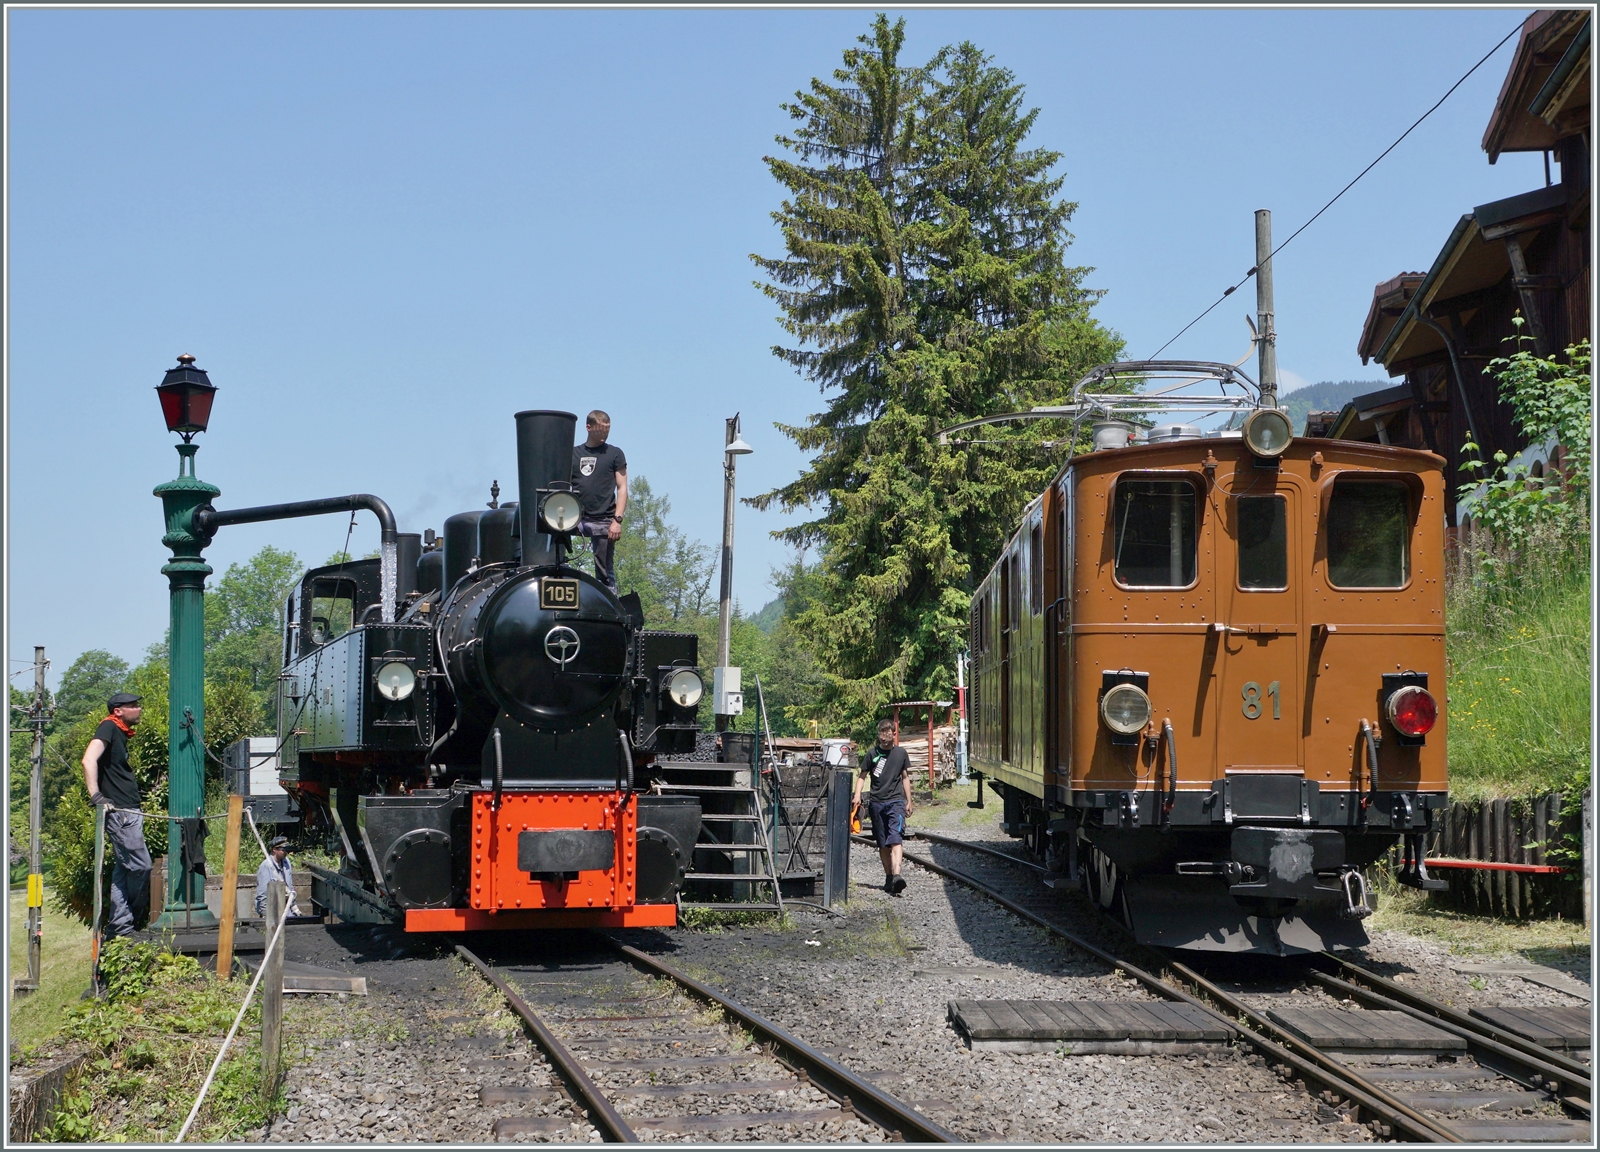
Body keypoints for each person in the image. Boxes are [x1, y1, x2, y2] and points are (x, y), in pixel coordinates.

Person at [81, 692, 151, 939]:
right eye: (133, 706)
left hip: (128, 809)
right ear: (118, 710)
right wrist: (96, 795)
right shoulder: (109, 726)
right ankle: (134, 917)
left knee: (123, 870)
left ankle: (120, 926)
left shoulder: (119, 731)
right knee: (142, 866)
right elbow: (88, 759)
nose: (139, 709)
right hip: (120, 812)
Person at [852, 719, 914, 895]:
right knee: (882, 844)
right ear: (879, 734)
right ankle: (889, 877)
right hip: (877, 803)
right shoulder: (872, 754)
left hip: (896, 802)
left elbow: (905, 777)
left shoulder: (901, 753)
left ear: (894, 733)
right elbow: (862, 776)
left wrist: (909, 800)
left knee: (895, 839)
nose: (884, 737)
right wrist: (857, 795)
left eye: (887, 733)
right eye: (881, 734)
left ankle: (897, 875)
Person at [571, 409, 628, 593]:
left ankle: (610, 600)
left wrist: (617, 520)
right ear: (588, 427)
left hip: (604, 519)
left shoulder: (614, 454)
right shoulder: (573, 454)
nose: (605, 433)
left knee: (604, 571)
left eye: (608, 430)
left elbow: (622, 487)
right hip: (575, 518)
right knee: (550, 542)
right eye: (601, 430)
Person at [255, 836, 302, 919]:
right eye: (283, 850)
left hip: (286, 907)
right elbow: (262, 893)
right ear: (274, 850)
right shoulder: (266, 866)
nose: (286, 852)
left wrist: (294, 907)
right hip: (272, 908)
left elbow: (290, 887)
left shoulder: (286, 862)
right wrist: (266, 915)